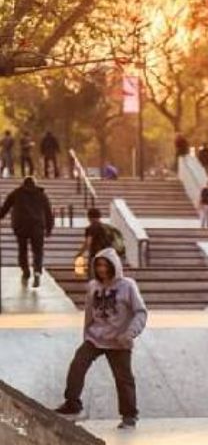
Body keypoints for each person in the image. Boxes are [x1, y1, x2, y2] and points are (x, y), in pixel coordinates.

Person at [54, 248, 147, 429]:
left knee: (123, 378)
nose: (102, 270)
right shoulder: (93, 286)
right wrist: (87, 334)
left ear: (114, 267)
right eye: (98, 266)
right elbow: (89, 312)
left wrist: (130, 333)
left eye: (105, 266)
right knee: (78, 364)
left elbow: (140, 312)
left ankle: (129, 415)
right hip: (95, 337)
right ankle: (72, 404)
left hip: (119, 340)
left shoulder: (127, 285)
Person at [0, 175, 54, 287]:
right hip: (37, 226)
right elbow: (48, 212)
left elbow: (5, 208)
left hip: (21, 227)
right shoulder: (41, 194)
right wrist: (49, 228)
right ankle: (37, 272)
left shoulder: (16, 193)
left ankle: (25, 271)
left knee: (22, 250)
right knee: (38, 251)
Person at [76, 207, 114, 274]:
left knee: (94, 276)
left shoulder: (91, 228)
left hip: (96, 255)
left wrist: (80, 253)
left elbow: (88, 242)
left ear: (89, 217)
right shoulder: (107, 227)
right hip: (108, 255)